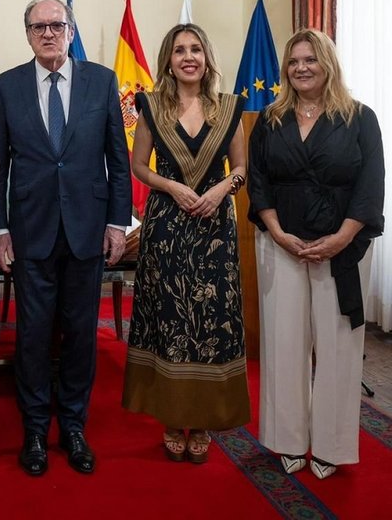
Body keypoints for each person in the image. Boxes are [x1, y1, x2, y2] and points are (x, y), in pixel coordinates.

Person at [0, 0, 130, 476]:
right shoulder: (6, 87)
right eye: (38, 27)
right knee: (30, 335)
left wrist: (117, 223)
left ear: (71, 30)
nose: (48, 33)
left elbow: (118, 157)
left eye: (56, 25)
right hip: (30, 231)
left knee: (80, 335)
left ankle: (73, 425)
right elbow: (0, 166)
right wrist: (0, 227)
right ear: (27, 34)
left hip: (88, 230)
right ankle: (33, 428)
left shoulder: (101, 81)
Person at [249, 28, 384, 480]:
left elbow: (371, 186)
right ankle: (287, 440)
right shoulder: (270, 118)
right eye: (293, 61)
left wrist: (343, 237)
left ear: (328, 63)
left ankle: (331, 445)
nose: (301, 68)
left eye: (310, 59)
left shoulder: (360, 118)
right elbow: (260, 181)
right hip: (280, 243)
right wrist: (277, 231)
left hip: (341, 248)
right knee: (283, 343)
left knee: (338, 347)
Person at [121, 24, 250, 463]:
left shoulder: (230, 107)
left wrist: (221, 191)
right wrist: (172, 188)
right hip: (167, 227)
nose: (188, 56)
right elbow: (139, 166)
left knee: (212, 322)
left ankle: (207, 421)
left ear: (207, 57)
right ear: (169, 60)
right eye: (180, 50)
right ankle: (174, 419)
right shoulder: (152, 106)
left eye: (196, 48)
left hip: (215, 228)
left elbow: (241, 167)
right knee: (171, 319)